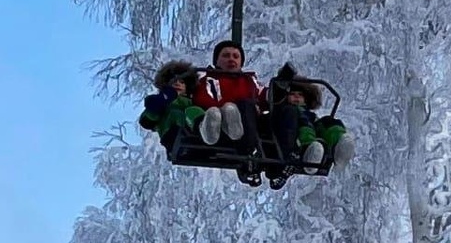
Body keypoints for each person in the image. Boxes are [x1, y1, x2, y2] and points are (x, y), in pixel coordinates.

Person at [193, 40, 268, 184]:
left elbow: (264, 96)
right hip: (220, 119)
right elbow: (203, 99)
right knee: (235, 107)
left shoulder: (249, 81)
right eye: (226, 56)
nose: (231, 60)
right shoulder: (209, 79)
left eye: (235, 56)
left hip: (248, 123)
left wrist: (281, 89)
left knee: (246, 105)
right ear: (217, 60)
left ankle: (238, 131)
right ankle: (225, 123)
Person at [269, 66, 356, 180]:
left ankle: (338, 146)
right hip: (292, 141)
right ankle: (307, 151)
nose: (296, 97)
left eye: (300, 95)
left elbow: (317, 124)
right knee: (302, 125)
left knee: (327, 122)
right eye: (292, 94)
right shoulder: (283, 110)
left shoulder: (310, 116)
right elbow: (276, 97)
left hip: (310, 131)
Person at [139, 60, 207, 153]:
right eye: (173, 81)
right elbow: (147, 120)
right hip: (172, 134)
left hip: (196, 137)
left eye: (182, 82)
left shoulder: (194, 103)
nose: (177, 84)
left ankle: (205, 132)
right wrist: (159, 104)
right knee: (176, 113)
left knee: (195, 111)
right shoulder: (161, 101)